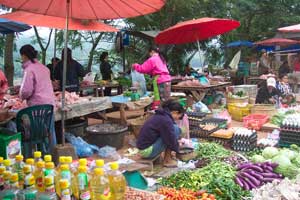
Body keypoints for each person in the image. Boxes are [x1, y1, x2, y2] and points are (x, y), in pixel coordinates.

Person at [19, 44, 56, 149]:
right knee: (50, 132)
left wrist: (20, 95)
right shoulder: (44, 68)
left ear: (24, 56)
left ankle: (39, 155)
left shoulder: (29, 70)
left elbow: (26, 91)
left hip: (37, 108)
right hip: (49, 105)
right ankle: (52, 155)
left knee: (37, 134)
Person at [137, 99, 185, 167]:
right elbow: (170, 139)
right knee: (175, 130)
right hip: (147, 151)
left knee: (172, 131)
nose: (177, 119)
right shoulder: (166, 120)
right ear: (175, 112)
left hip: (144, 148)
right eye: (178, 117)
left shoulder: (161, 115)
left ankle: (168, 157)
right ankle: (167, 160)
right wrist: (177, 150)